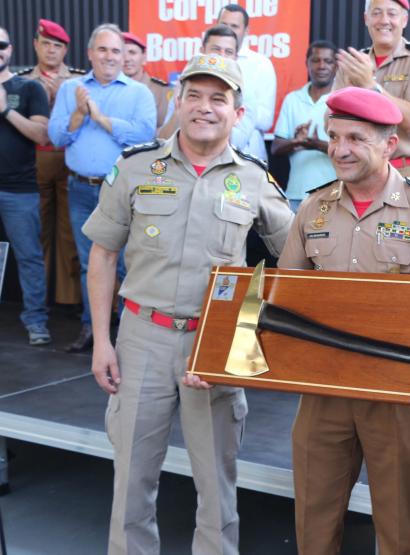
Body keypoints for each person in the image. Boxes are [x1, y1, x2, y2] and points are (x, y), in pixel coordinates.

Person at [84, 54, 293, 555]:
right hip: (142, 339)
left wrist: (247, 335)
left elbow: (299, 261)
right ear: (176, 103)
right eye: (194, 96)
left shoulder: (254, 180)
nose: (204, 108)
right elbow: (103, 254)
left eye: (218, 99)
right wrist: (102, 342)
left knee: (217, 487)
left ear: (237, 114)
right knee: (132, 480)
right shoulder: (136, 168)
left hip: (215, 346)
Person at [277, 86, 410, 555]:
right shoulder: (311, 207)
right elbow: (284, 296)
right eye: (334, 136)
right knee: (313, 518)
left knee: (396, 525)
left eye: (356, 138)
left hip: (399, 392)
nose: (340, 149)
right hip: (325, 388)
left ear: (389, 145)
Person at [48, 23, 156, 353]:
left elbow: (145, 136)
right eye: (103, 50)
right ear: (90, 53)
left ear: (125, 56)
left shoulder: (138, 93)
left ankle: (126, 335)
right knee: (87, 263)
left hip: (123, 192)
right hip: (80, 189)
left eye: (116, 51)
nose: (110, 57)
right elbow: (55, 137)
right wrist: (81, 114)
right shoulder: (72, 90)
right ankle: (90, 329)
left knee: (126, 265)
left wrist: (100, 116)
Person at [334, 0, 410, 185]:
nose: (384, 20)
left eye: (392, 13)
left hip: (404, 172)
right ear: (366, 18)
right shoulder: (354, 63)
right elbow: (330, 121)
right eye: (376, 13)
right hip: (359, 173)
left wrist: (370, 86)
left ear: (404, 20)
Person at [18, 19, 84, 308]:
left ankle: (69, 299)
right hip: (33, 162)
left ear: (66, 50)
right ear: (35, 45)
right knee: (37, 230)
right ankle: (39, 297)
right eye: (46, 44)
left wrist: (59, 93)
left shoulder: (78, 81)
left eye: (57, 46)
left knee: (70, 232)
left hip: (69, 161)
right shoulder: (21, 81)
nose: (51, 50)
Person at [0, 26, 52, 345]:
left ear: (11, 48)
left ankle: (36, 322)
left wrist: (5, 110)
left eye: (2, 44)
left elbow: (41, 135)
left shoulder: (29, 89)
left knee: (29, 257)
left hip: (19, 190)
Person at [271, 39, 338, 213]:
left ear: (336, 66)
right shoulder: (293, 99)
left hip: (334, 195)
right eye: (315, 60)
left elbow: (351, 151)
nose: (321, 66)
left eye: (328, 61)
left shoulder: (342, 100)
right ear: (307, 63)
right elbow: (276, 148)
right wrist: (296, 142)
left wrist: (316, 145)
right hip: (296, 196)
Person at [158, 24, 239, 140]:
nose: (222, 56)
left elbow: (237, 142)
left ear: (236, 57)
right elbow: (164, 140)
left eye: (228, 52)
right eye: (215, 49)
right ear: (202, 51)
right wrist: (179, 111)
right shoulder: (185, 85)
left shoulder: (244, 91)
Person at [218, 3, 276, 162]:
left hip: (250, 157)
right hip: (208, 154)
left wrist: (223, 111)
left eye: (234, 26)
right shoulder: (203, 62)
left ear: (246, 31)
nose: (228, 30)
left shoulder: (261, 64)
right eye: (224, 24)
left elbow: (265, 121)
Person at [121, 31, 170, 130]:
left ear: (144, 57)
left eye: (132, 52)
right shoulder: (108, 89)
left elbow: (167, 131)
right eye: (121, 53)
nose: (127, 59)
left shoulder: (162, 91)